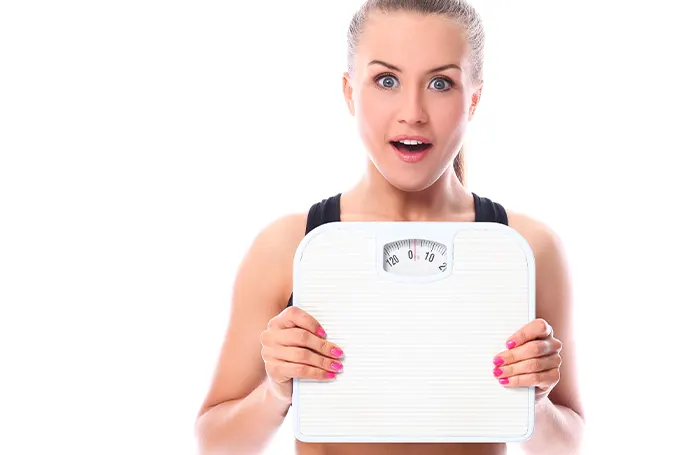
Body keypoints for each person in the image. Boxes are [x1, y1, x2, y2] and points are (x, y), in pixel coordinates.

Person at [194, 1, 585, 454]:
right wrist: (277, 392)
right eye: (386, 80)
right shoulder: (291, 248)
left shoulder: (524, 249)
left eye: (441, 83)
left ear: (473, 99)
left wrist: (534, 402)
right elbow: (215, 442)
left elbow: (566, 443)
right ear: (348, 92)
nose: (412, 111)